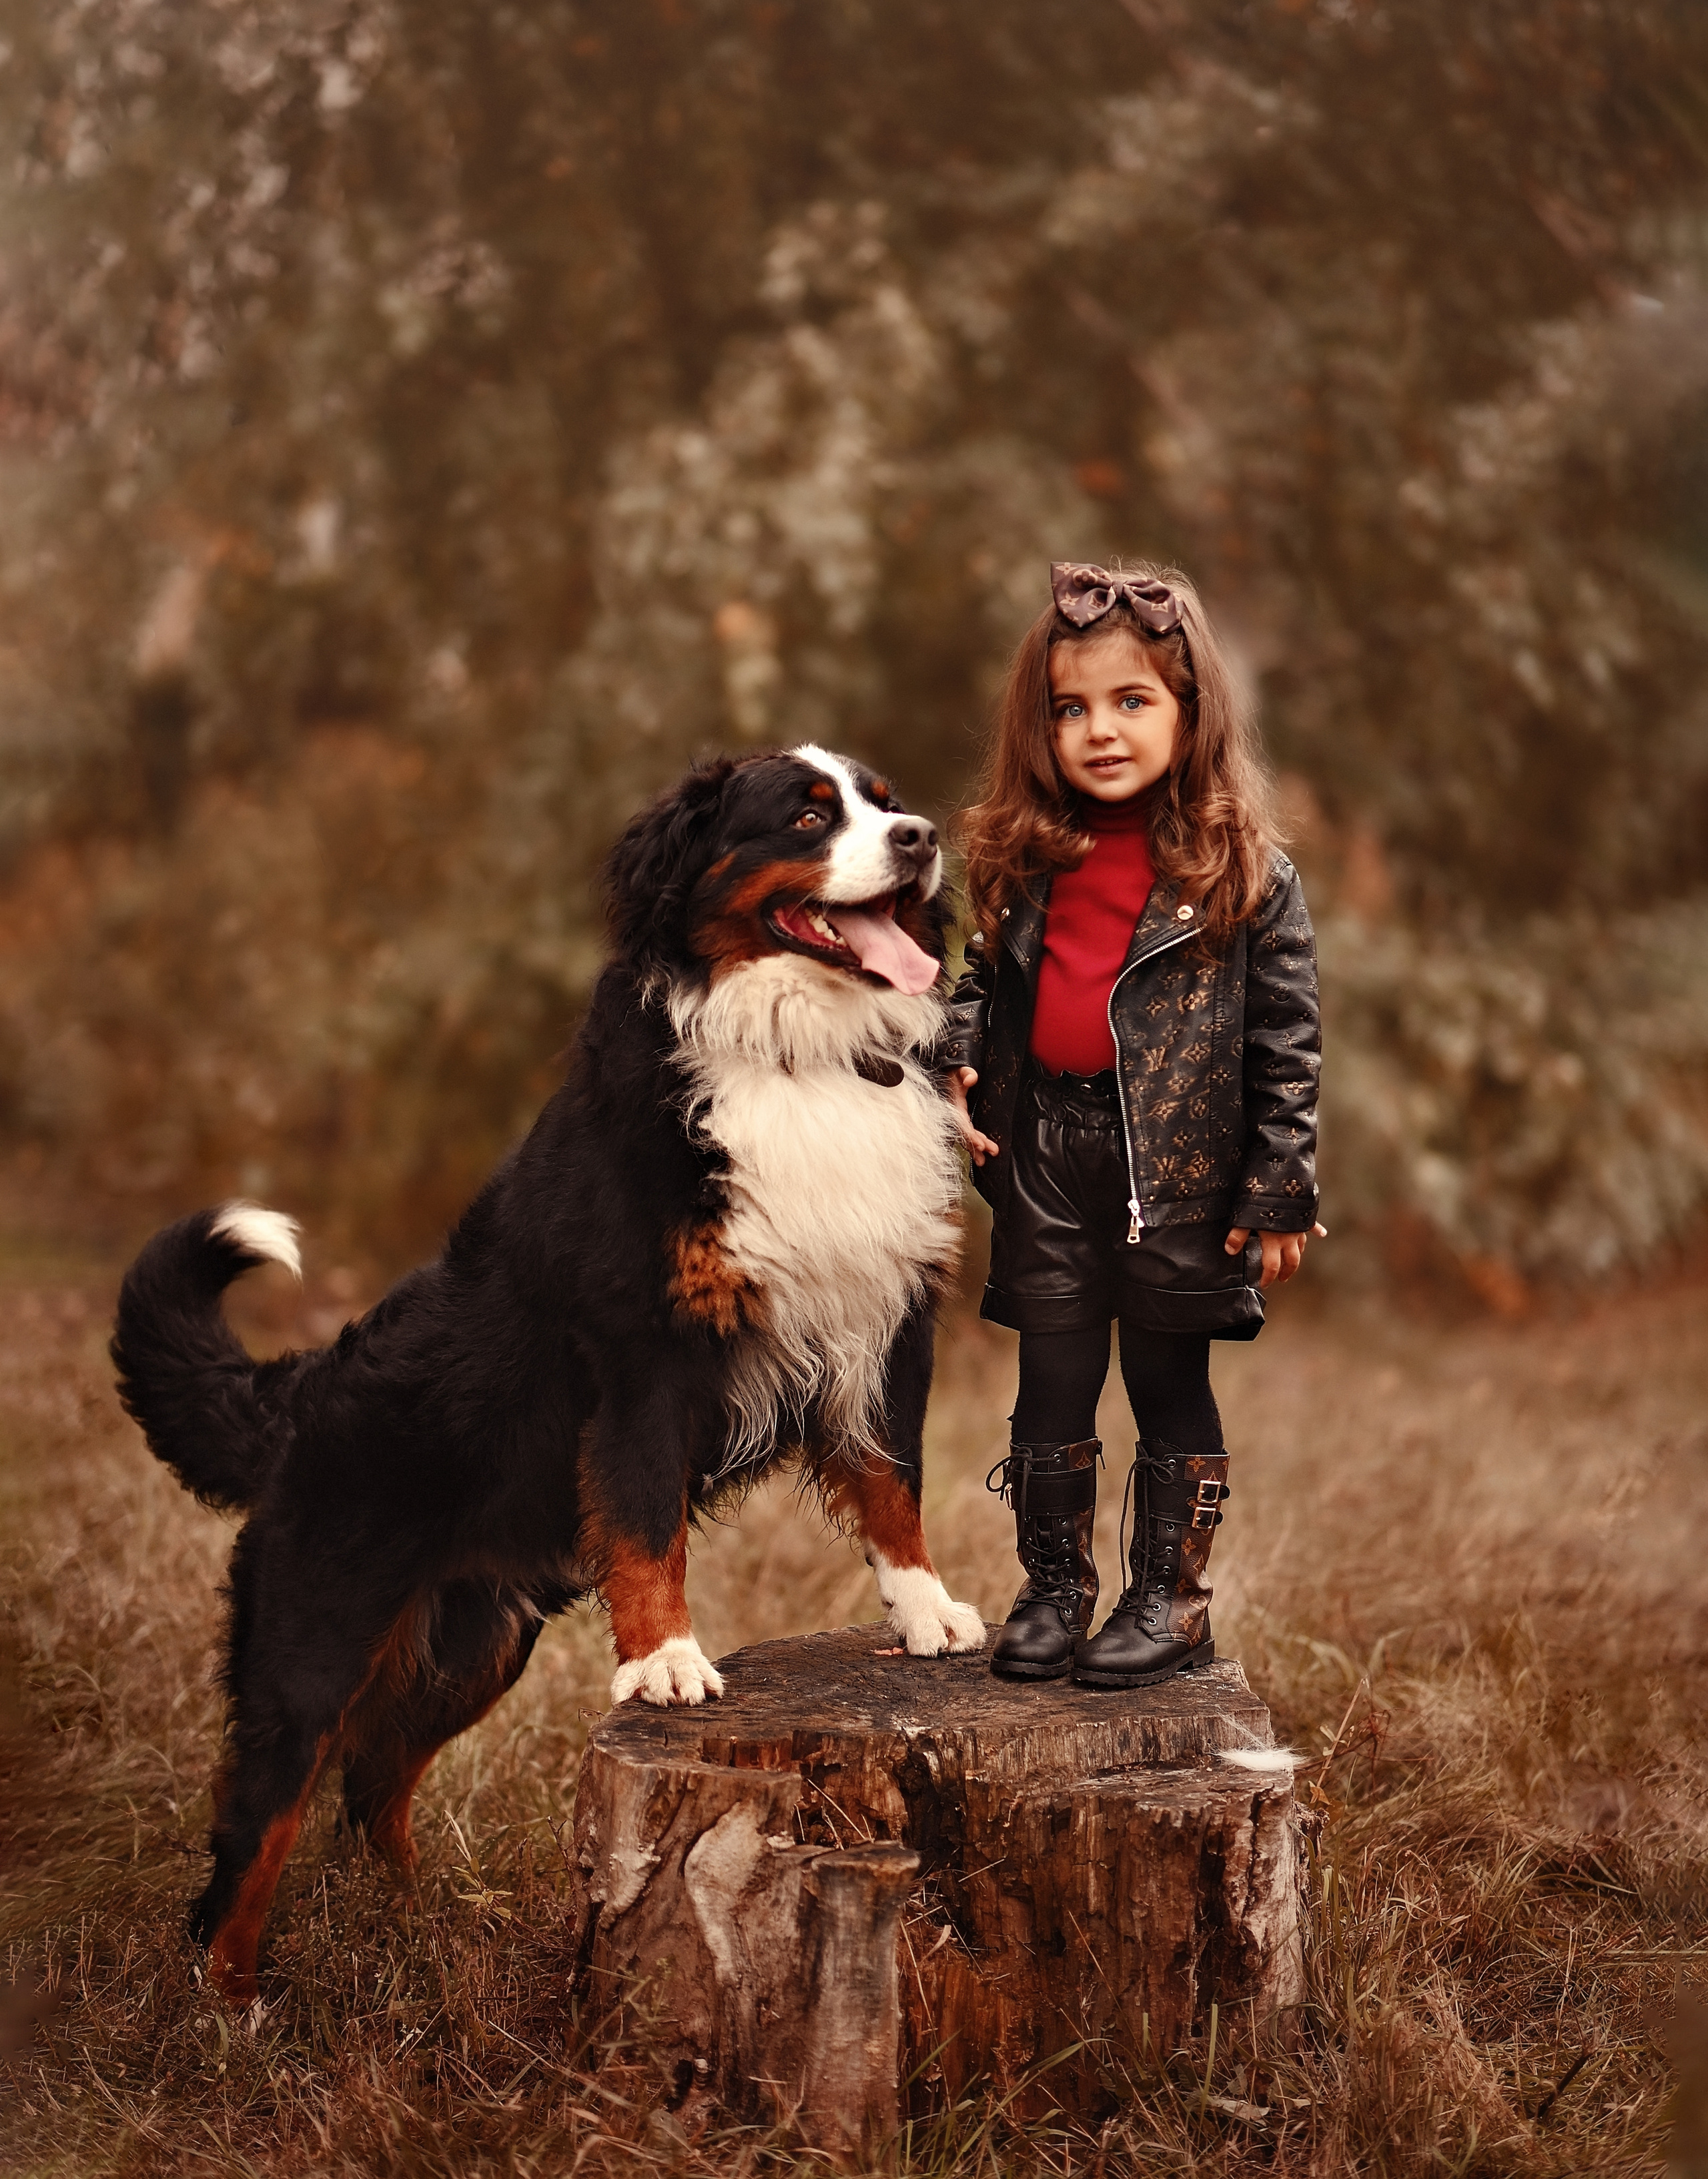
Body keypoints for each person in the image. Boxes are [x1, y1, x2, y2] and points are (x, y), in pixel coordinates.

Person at [943, 561, 1324, 1687]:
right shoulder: (1025, 858)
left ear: (1189, 710)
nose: (1099, 730)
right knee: (1051, 1378)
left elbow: (1287, 1045)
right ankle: (1055, 1589)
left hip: (1181, 1168)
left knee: (1166, 1379)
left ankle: (1170, 1600)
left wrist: (1279, 1190)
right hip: (1047, 1154)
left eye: (1132, 701)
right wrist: (955, 1054)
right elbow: (981, 986)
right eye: (1071, 708)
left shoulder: (1244, 872)